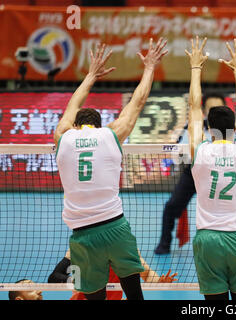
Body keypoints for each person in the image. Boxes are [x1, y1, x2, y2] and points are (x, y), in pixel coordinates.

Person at [53, 38, 168, 300]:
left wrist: (91, 75)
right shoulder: (111, 135)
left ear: (75, 124)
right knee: (135, 295)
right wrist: (149, 67)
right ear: (99, 123)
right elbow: (137, 103)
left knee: (95, 298)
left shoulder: (63, 136)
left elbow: (70, 108)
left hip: (82, 236)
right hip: (116, 228)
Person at [187, 36, 236, 300]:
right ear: (235, 128)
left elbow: (194, 107)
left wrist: (195, 68)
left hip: (208, 240)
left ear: (207, 129)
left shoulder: (200, 150)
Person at [154, 93, 226, 255]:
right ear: (205, 110)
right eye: (211, 108)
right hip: (192, 173)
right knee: (171, 206)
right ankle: (164, 244)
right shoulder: (193, 126)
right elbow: (177, 147)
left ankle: (221, 242)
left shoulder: (229, 128)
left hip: (217, 174)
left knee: (222, 209)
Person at [48, 249, 178, 300]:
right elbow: (54, 277)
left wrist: (159, 282)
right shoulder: (81, 247)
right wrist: (77, 282)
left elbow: (147, 274)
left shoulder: (126, 249)